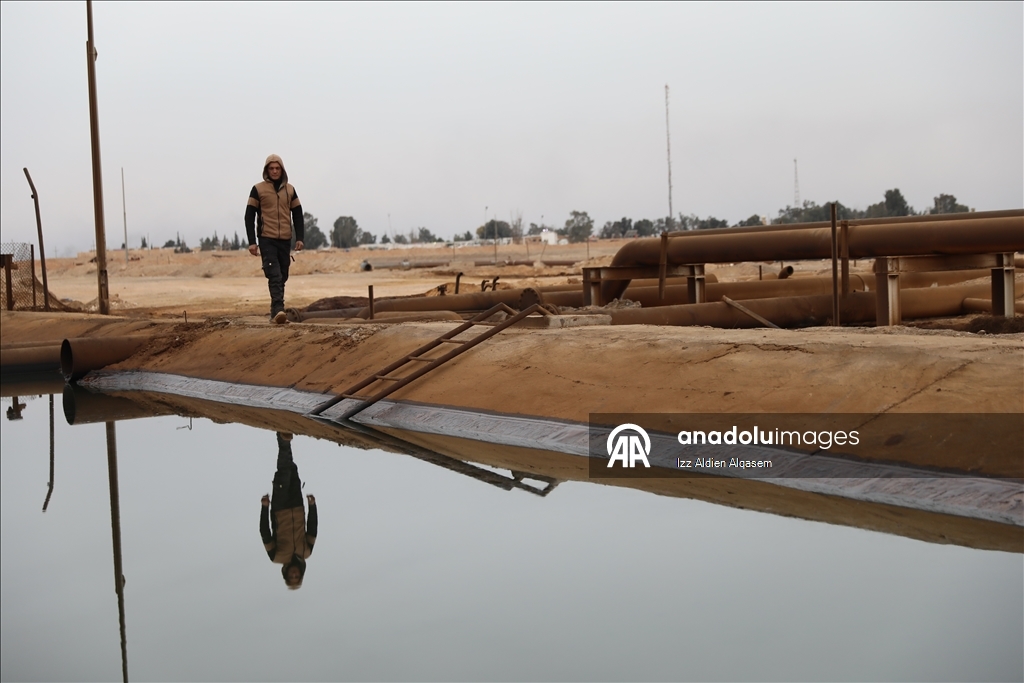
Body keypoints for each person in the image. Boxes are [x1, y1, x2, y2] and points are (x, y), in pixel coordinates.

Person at [245, 154, 304, 323]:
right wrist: (252, 242)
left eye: (277, 168)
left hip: (285, 239)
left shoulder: (290, 190)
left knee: (283, 275)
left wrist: (300, 237)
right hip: (266, 238)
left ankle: (274, 314)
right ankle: (279, 309)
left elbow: (298, 214)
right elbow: (248, 216)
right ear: (266, 170)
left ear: (282, 170)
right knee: (274, 275)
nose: (275, 171)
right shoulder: (258, 189)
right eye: (271, 168)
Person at [259, 432, 317, 589]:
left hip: (279, 508)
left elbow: (265, 533)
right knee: (292, 470)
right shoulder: (306, 552)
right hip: (298, 507)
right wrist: (312, 506)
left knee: (284, 472)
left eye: (291, 576)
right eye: (296, 576)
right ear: (300, 573)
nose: (294, 574)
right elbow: (312, 528)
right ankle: (284, 438)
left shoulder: (276, 556)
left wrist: (265, 508)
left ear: (285, 574)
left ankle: (284, 440)